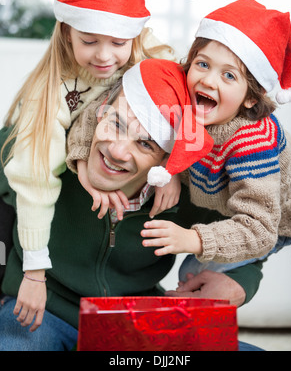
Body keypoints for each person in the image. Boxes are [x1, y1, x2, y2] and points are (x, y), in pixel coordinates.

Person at [0, 59, 264, 351]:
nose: (117, 151)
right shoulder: (48, 151)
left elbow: (249, 231)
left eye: (146, 144)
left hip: (132, 320)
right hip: (40, 309)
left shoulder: (189, 195)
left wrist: (242, 282)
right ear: (100, 111)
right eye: (116, 124)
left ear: (167, 161)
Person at [0, 0, 199, 330]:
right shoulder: (49, 96)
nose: (105, 56)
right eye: (89, 41)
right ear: (67, 33)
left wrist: (172, 168)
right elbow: (35, 181)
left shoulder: (151, 57)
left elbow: (179, 111)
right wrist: (34, 273)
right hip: (49, 283)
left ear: (136, 35)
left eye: (118, 42)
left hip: (123, 309)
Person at [137, 0, 291, 278]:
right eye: (202, 63)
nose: (209, 81)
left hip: (278, 216)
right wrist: (171, 166)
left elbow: (260, 229)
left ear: (250, 97)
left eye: (228, 75)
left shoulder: (252, 142)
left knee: (192, 271)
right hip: (230, 199)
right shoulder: (190, 97)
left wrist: (194, 239)